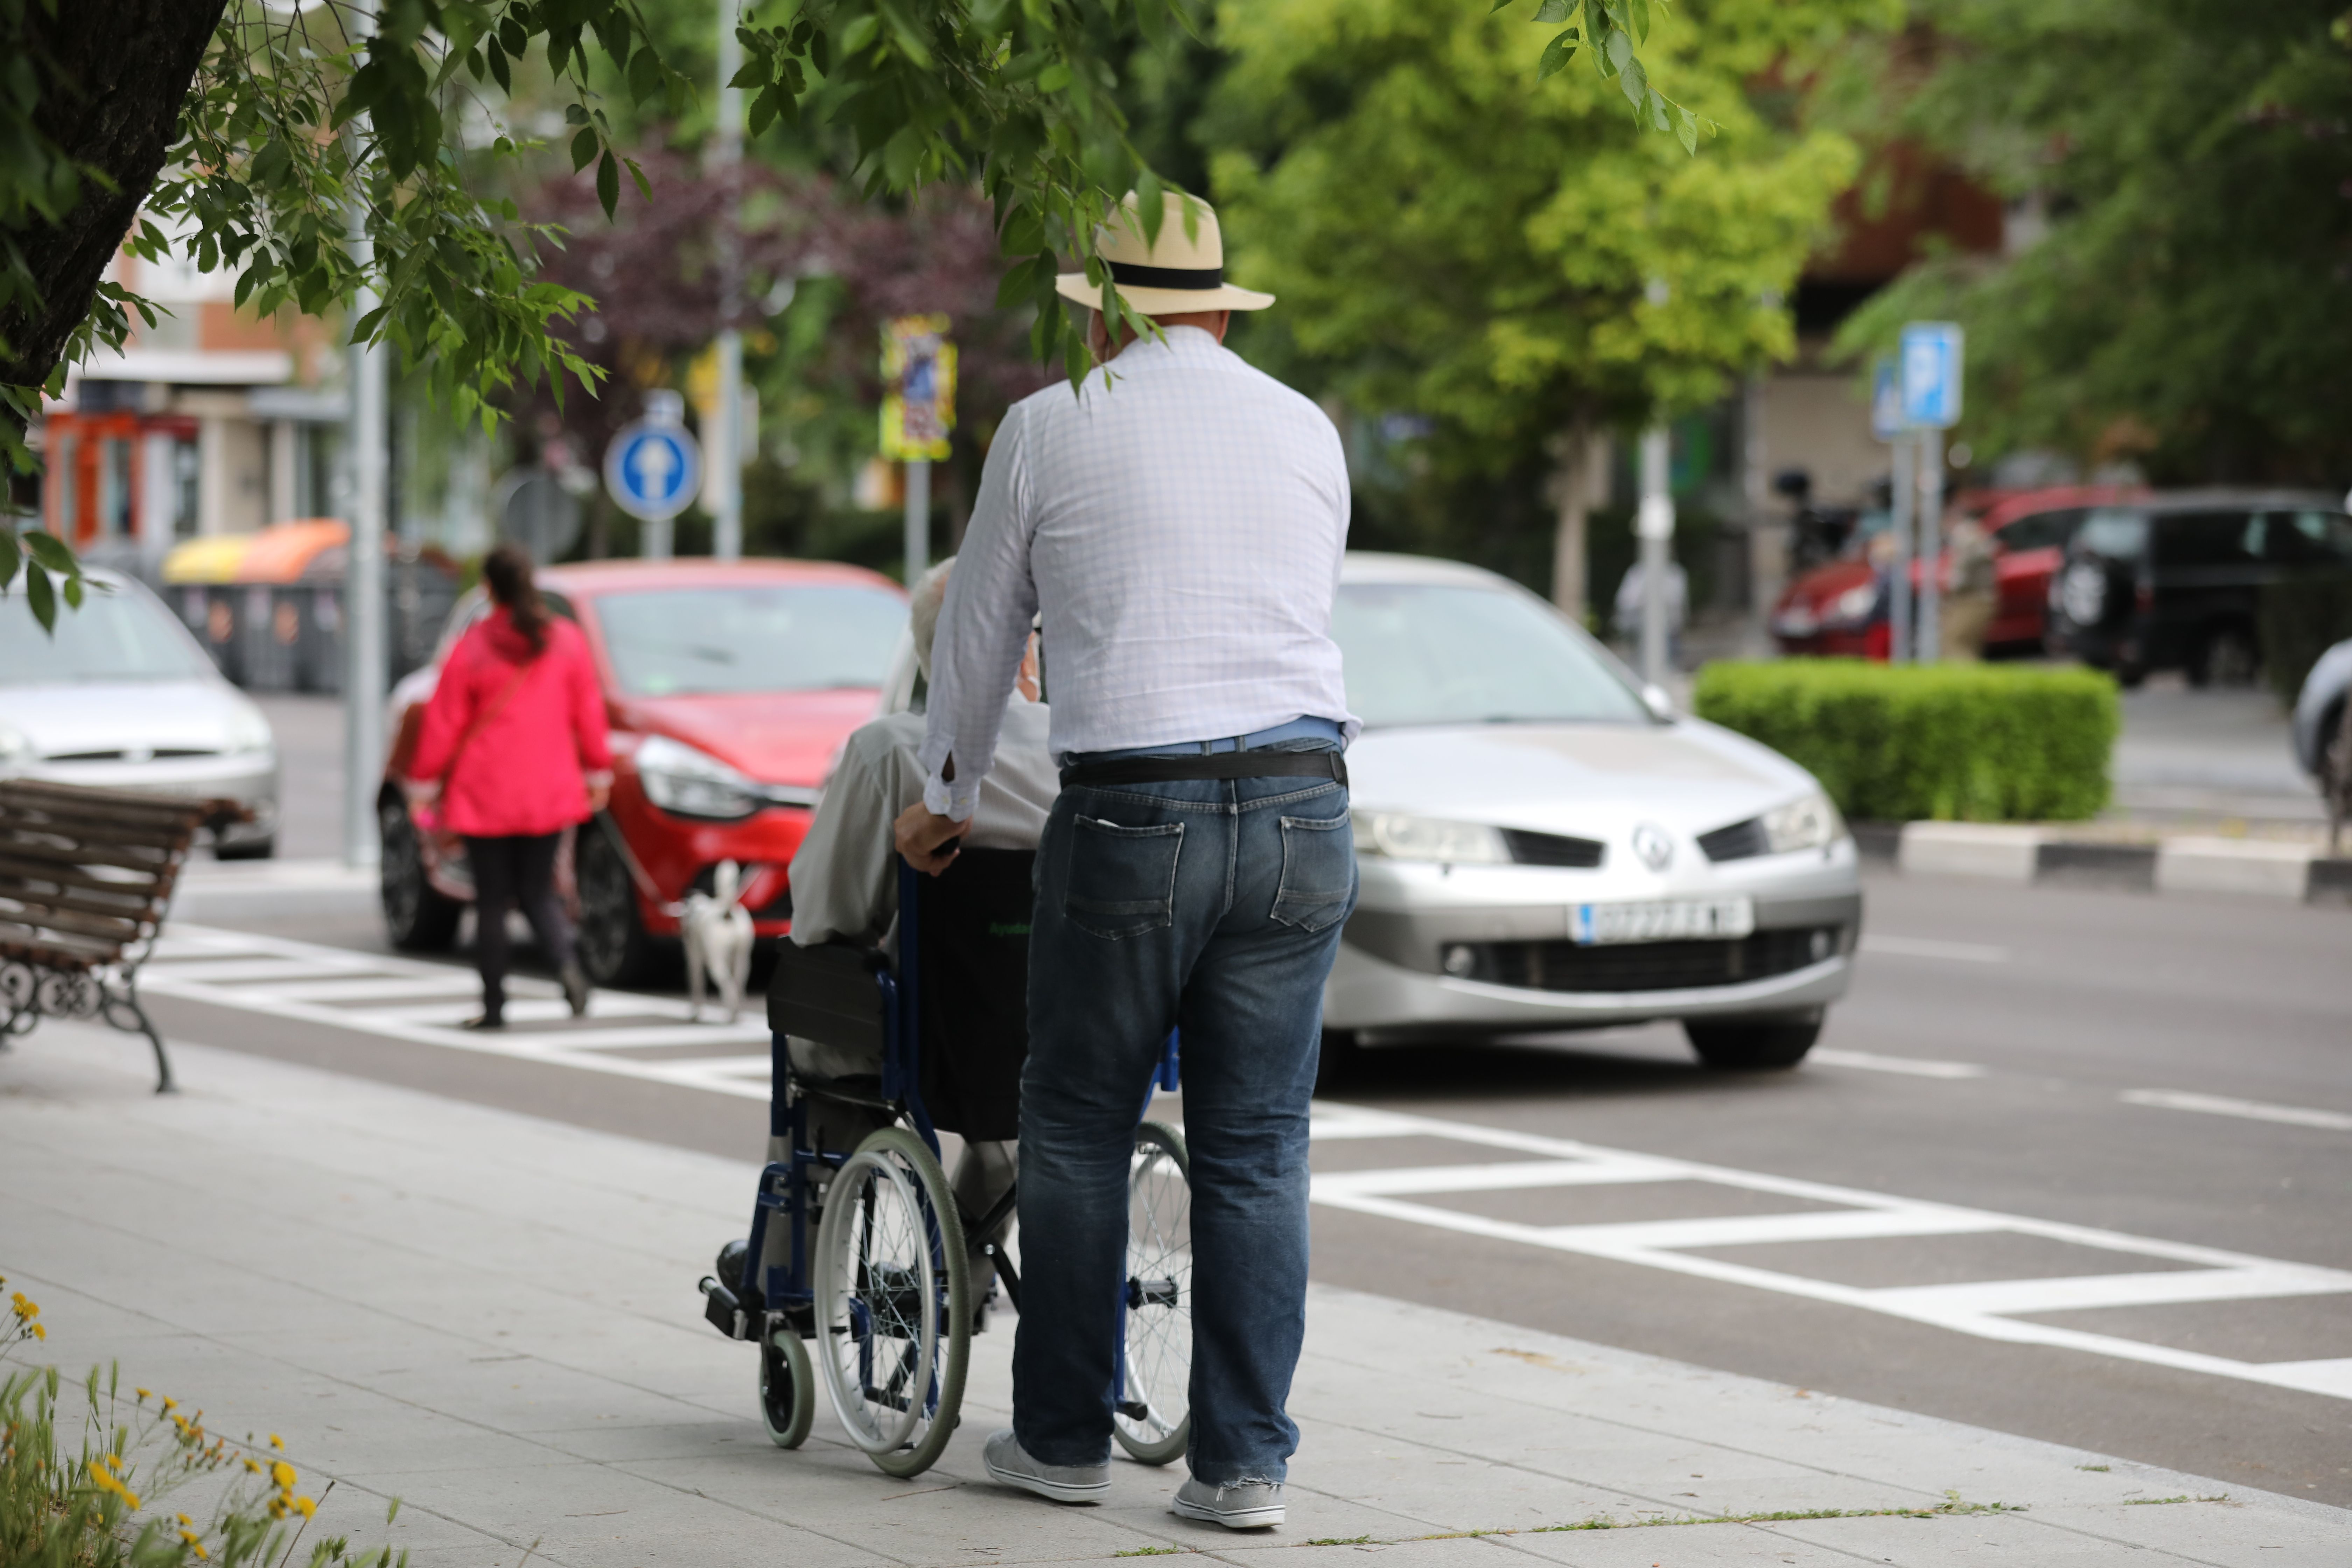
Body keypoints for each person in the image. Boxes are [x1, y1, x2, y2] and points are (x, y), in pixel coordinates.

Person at [895, 190, 1354, 1532]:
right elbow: (1295, 603)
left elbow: (978, 636)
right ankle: (1243, 1469)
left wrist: (944, 798)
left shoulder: (1050, 427)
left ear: (1103, 314)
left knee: (1080, 1120)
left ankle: (1061, 1442)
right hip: (1302, 801)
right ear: (1218, 306)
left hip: (1131, 810)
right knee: (1261, 1146)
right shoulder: (1306, 427)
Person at [785, 556, 1056, 1300]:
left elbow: (826, 913)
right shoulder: (1084, 753)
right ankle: (966, 1260)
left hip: (933, 1030)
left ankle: (796, 1269)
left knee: (816, 1023)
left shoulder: (893, 750)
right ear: (1026, 650)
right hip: (1063, 1020)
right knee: (1013, 1098)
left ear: (933, 650)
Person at [406, 545, 610, 1029]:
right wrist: (598, 773)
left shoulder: (473, 647)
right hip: (547, 788)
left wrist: (423, 782)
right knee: (539, 891)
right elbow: (589, 712)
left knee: (493, 900)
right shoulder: (566, 642)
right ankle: (567, 965)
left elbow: (444, 722)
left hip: (486, 791)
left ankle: (495, 1006)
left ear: (489, 589)